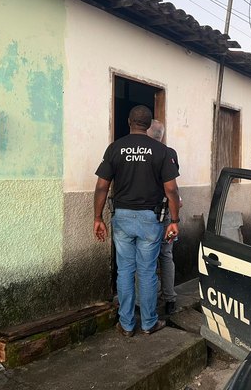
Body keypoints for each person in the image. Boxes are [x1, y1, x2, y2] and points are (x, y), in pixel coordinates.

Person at [93, 105, 180, 337]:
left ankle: (127, 324)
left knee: (124, 271)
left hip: (122, 218)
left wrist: (97, 217)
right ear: (149, 123)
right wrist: (175, 220)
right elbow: (171, 190)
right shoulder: (161, 151)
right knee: (147, 272)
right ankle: (149, 323)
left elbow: (102, 186)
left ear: (129, 121)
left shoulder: (115, 148)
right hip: (150, 220)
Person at [147, 119, 181, 315]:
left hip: (146, 213)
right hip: (167, 212)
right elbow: (173, 187)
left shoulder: (145, 152)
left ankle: (145, 301)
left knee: (145, 257)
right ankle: (169, 298)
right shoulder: (170, 153)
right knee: (166, 255)